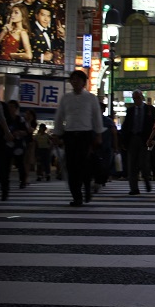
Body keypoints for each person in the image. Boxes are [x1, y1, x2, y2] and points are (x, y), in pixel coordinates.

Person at [52, 70, 103, 206]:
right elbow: (59, 117)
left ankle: (87, 188)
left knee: (85, 166)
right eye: (73, 79)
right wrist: (57, 133)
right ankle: (77, 196)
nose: (75, 82)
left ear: (83, 82)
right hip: (70, 135)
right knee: (72, 166)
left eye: (78, 80)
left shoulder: (91, 98)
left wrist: (98, 134)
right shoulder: (66, 98)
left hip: (86, 135)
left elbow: (97, 117)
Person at [121, 89, 155, 195]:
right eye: (134, 98)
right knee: (132, 164)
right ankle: (134, 188)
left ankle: (146, 180)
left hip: (144, 138)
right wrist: (124, 140)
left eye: (138, 97)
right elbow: (126, 125)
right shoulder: (130, 110)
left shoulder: (150, 109)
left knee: (144, 163)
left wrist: (153, 138)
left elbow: (154, 125)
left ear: (142, 97)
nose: (136, 100)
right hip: (132, 138)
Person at [93, 103, 118, 192]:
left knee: (106, 165)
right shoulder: (92, 121)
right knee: (97, 165)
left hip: (107, 146)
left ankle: (101, 180)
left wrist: (115, 146)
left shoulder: (108, 121)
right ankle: (98, 181)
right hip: (95, 146)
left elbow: (114, 133)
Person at [0, 82, 14, 200]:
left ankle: (4, 188)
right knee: (1, 166)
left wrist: (7, 132)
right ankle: (4, 188)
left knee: (1, 166)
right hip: (1, 138)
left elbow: (2, 118)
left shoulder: (1, 105)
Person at [7, 100, 29, 189]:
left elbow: (26, 132)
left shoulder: (20, 119)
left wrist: (19, 132)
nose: (10, 108)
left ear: (16, 108)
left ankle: (22, 180)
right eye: (9, 106)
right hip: (7, 144)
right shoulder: (5, 119)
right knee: (6, 163)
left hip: (18, 144)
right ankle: (5, 181)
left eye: (12, 106)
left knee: (20, 164)